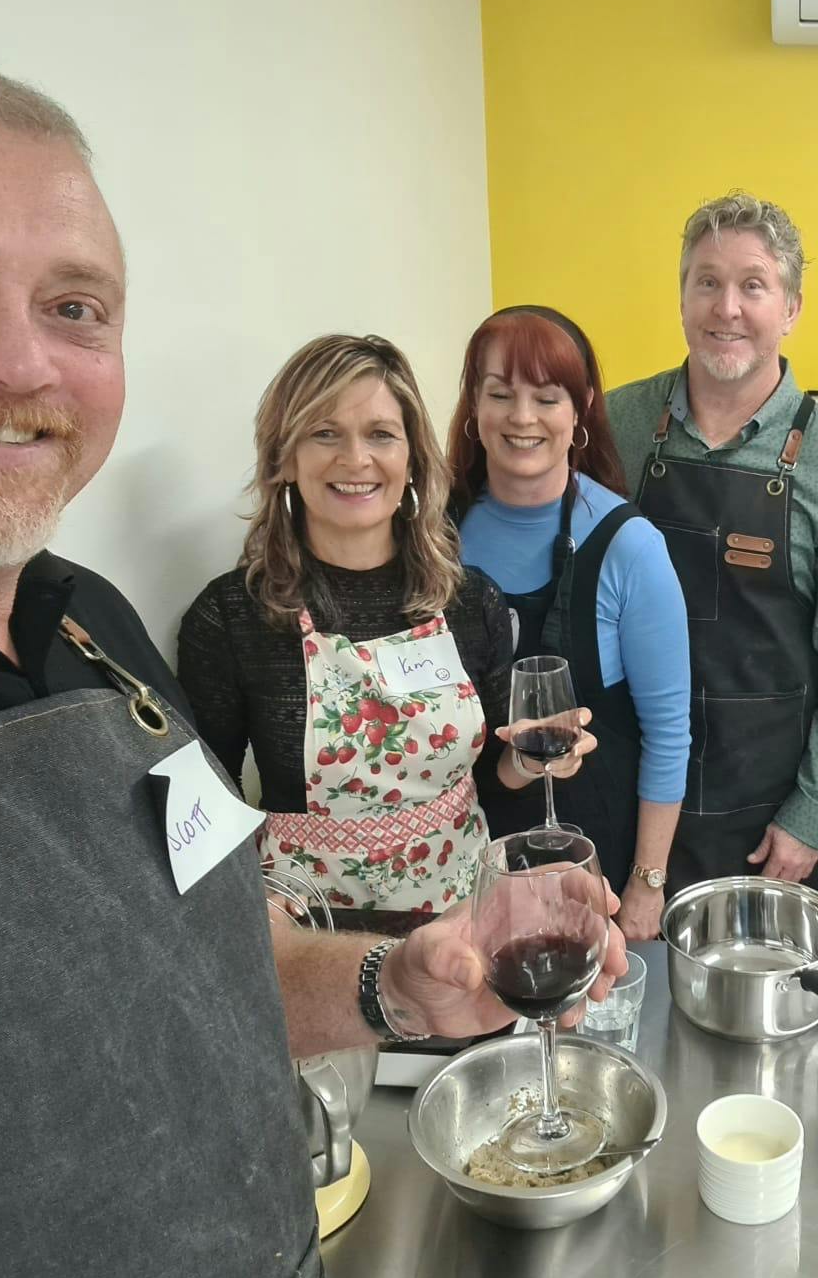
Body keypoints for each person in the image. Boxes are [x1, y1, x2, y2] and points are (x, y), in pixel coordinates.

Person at [0, 53, 625, 1278]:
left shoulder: (89, 625)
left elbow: (219, 927)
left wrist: (400, 984)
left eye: (75, 306)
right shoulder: (229, 618)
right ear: (284, 456)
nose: (17, 362)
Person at [177, 334, 592, 934]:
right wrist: (253, 914)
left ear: (413, 459)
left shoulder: (470, 601)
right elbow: (205, 810)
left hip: (461, 922)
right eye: (325, 433)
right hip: (312, 932)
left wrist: (531, 762)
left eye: (380, 434)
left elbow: (492, 775)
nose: (356, 459)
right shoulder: (231, 617)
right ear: (284, 459)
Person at [605, 191, 818, 907]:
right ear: (682, 299)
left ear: (790, 308)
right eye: (707, 281)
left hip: (772, 827)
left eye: (753, 285)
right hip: (630, 806)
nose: (726, 308)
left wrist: (811, 816)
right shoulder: (615, 426)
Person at [447, 306, 690, 940]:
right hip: (461, 864)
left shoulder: (630, 545)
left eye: (547, 398)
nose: (522, 418)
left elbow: (669, 732)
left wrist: (647, 883)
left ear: (580, 410)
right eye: (500, 394)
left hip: (595, 865)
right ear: (474, 405)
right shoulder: (434, 538)